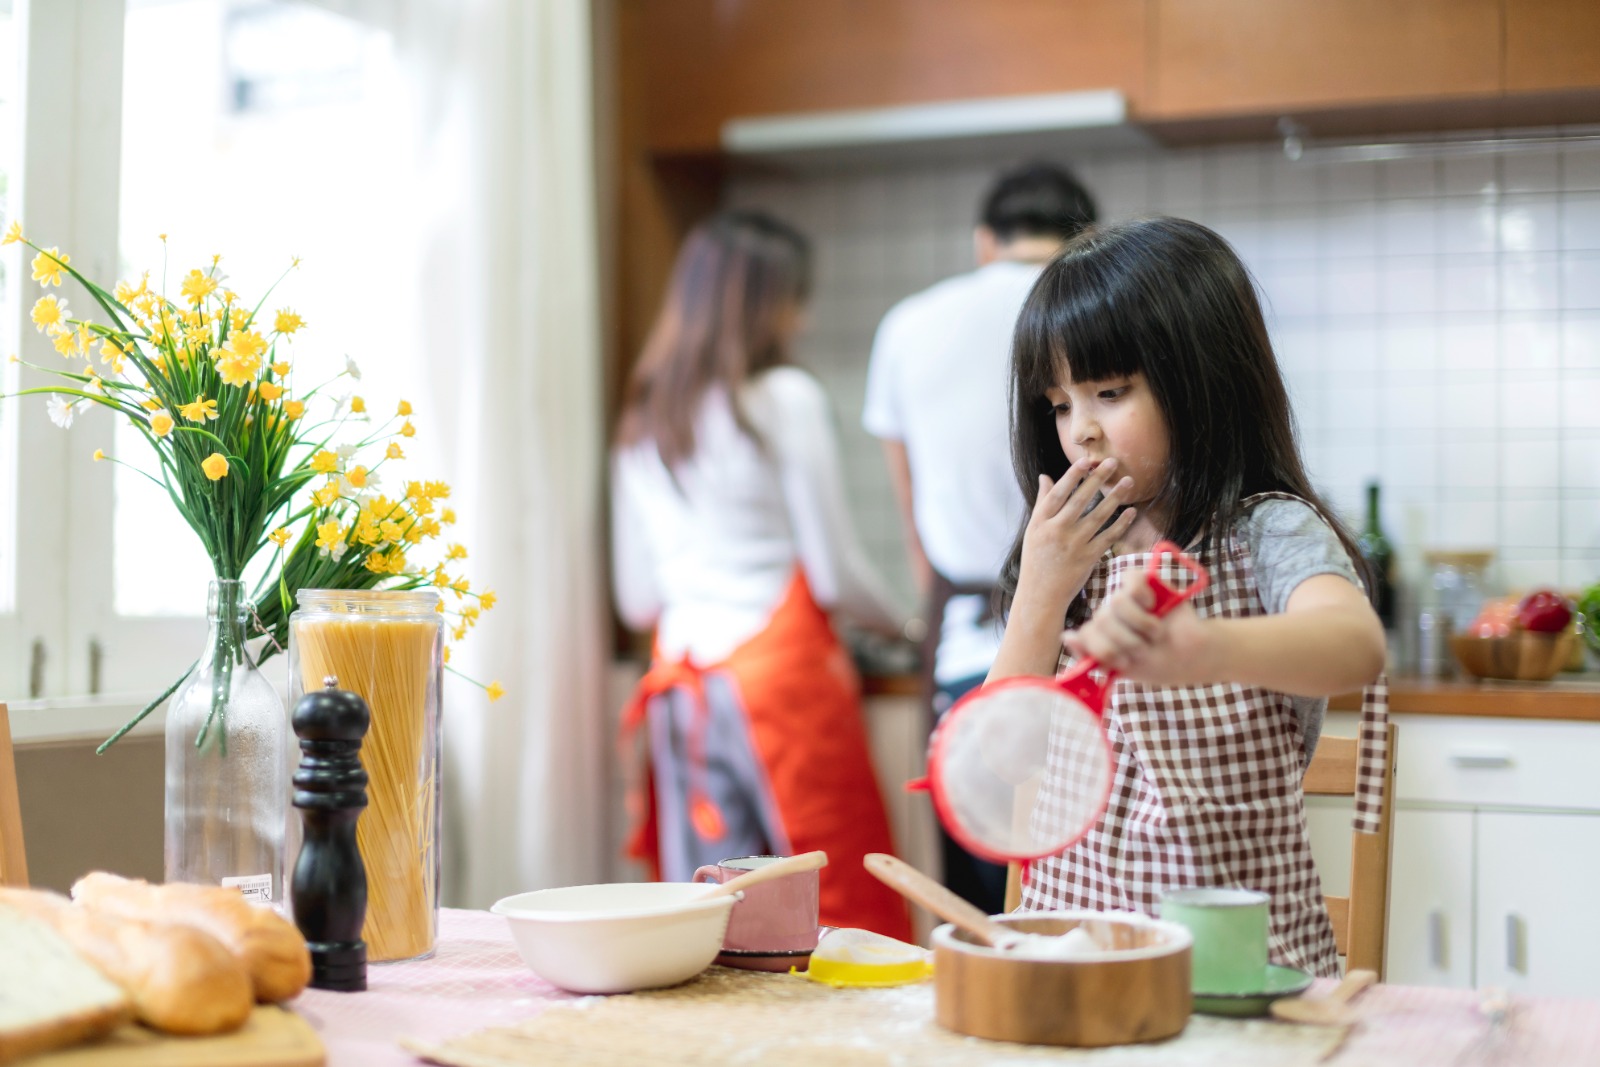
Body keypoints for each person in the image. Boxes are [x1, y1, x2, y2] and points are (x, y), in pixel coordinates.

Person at [991, 216, 1389, 977]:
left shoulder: (1267, 531)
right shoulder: (1066, 553)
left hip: (1242, 978)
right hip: (1077, 962)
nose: (1083, 433)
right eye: (1060, 404)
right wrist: (1040, 593)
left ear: (1205, 382)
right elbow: (1007, 756)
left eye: (1109, 392)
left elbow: (1355, 646)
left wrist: (1208, 648)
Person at [611, 210, 912, 941]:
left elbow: (637, 596)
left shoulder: (645, 414)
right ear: (767, 302)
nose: (802, 317)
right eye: (795, 297)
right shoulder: (785, 398)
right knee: (831, 905)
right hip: (783, 681)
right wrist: (910, 625)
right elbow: (834, 574)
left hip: (683, 683)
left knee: (708, 920)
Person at [862, 161, 1096, 915]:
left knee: (977, 872)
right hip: (1096, 624)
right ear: (1086, 241)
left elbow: (912, 512)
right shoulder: (1091, 312)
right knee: (1081, 863)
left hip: (964, 632)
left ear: (983, 241)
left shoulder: (907, 323)